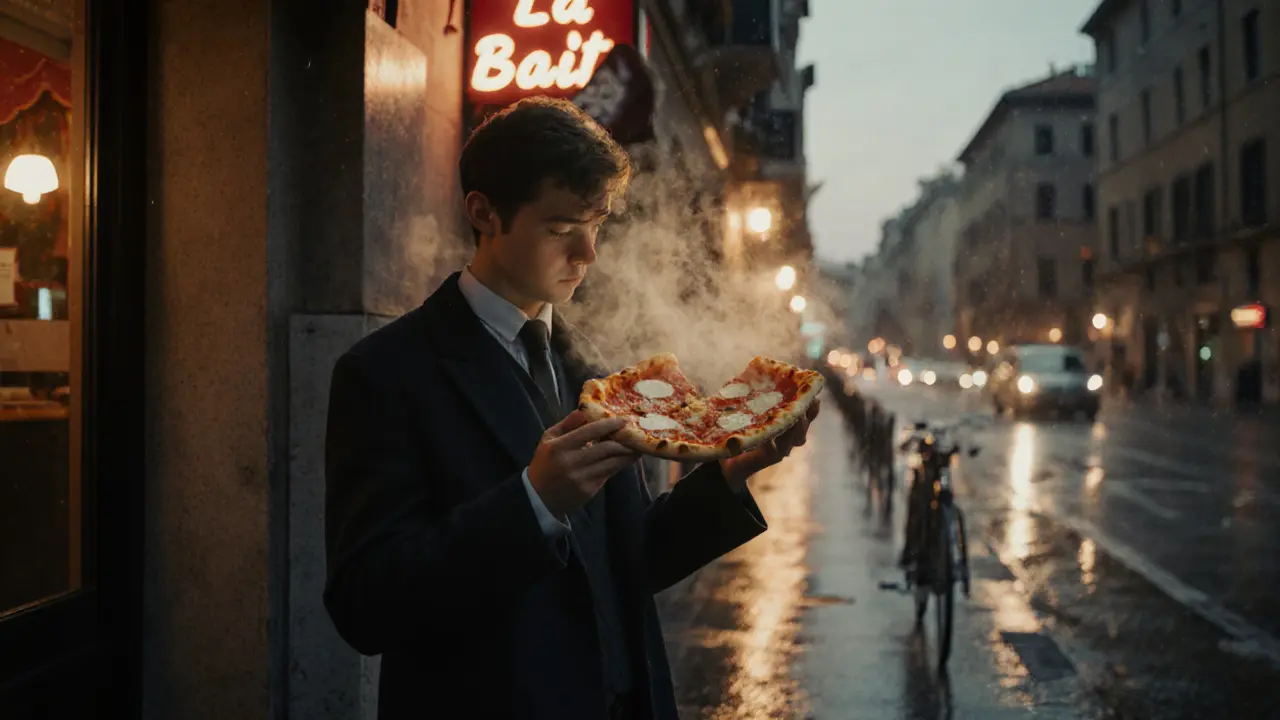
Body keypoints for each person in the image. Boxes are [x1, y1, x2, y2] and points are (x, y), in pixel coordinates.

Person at [322, 97, 820, 720]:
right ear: (484, 212)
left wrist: (729, 474)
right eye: (560, 230)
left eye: (597, 224)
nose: (588, 254)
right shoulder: (387, 373)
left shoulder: (592, 366)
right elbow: (365, 606)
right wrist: (533, 502)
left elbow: (629, 561)